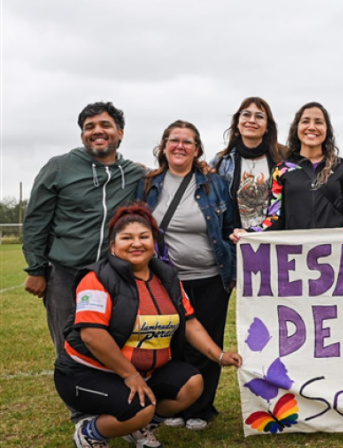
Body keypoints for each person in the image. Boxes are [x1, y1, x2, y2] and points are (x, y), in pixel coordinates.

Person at [53, 204, 241, 448]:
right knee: (141, 408)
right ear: (113, 245)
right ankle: (90, 432)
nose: (136, 243)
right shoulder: (96, 278)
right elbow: (92, 335)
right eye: (127, 238)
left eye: (144, 237)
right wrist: (130, 376)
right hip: (87, 373)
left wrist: (220, 355)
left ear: (154, 243)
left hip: (143, 373)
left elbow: (190, 322)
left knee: (192, 383)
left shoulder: (168, 277)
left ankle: (137, 428)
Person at [23, 102, 145, 359]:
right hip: (65, 275)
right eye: (90, 127)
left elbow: (171, 173)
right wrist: (36, 269)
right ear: (82, 135)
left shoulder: (134, 173)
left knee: (113, 346)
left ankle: (112, 398)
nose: (97, 131)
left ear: (120, 132)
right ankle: (75, 399)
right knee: (69, 349)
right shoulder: (59, 167)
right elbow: (36, 221)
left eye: (105, 125)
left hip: (111, 275)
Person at [137, 121, 236, 430]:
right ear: (164, 146)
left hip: (211, 277)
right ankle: (175, 402)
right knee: (171, 343)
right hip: (164, 280)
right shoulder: (147, 183)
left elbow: (230, 226)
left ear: (197, 149)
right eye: (173, 140)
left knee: (207, 341)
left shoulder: (214, 183)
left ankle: (202, 408)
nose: (180, 146)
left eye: (187, 142)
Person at [233, 102, 343, 234]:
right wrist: (249, 233)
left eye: (319, 122)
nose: (311, 127)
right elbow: (275, 218)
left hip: (336, 252)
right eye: (305, 121)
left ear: (327, 130)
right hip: (296, 253)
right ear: (296, 128)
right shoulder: (281, 171)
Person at [211, 97, 288, 231]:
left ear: (267, 127)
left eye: (259, 116)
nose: (252, 120)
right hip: (238, 243)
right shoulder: (221, 162)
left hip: (277, 242)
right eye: (246, 115)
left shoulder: (284, 159)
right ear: (237, 122)